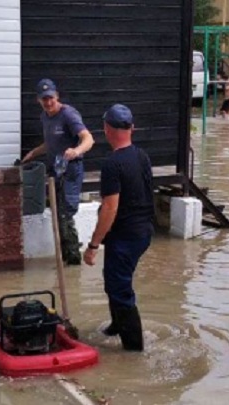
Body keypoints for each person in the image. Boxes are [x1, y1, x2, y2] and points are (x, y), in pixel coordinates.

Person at [83, 104, 155, 352]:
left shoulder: (113, 164)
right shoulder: (141, 155)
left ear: (107, 129)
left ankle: (134, 351)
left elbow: (109, 208)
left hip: (126, 236)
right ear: (131, 128)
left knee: (120, 288)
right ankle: (117, 324)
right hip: (143, 231)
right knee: (113, 281)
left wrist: (93, 245)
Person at [22, 78, 95, 266]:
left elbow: (88, 139)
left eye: (51, 98)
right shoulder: (44, 116)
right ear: (39, 100)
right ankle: (65, 258)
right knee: (56, 211)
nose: (48, 103)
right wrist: (33, 153)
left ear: (57, 96)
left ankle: (73, 262)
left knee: (65, 213)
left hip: (71, 169)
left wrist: (76, 151)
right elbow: (51, 143)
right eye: (44, 99)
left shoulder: (69, 115)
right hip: (56, 169)